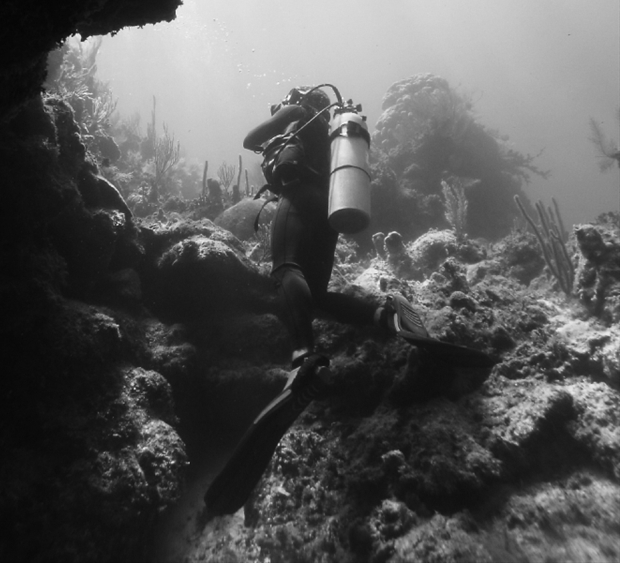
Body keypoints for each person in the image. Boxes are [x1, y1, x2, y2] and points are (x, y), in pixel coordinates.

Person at [204, 85, 494, 516]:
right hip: (332, 205)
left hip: (299, 195)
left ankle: (303, 355)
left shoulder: (297, 112)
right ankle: (385, 314)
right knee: (315, 294)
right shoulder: (334, 136)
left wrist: (285, 112)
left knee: (286, 269)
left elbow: (250, 141)